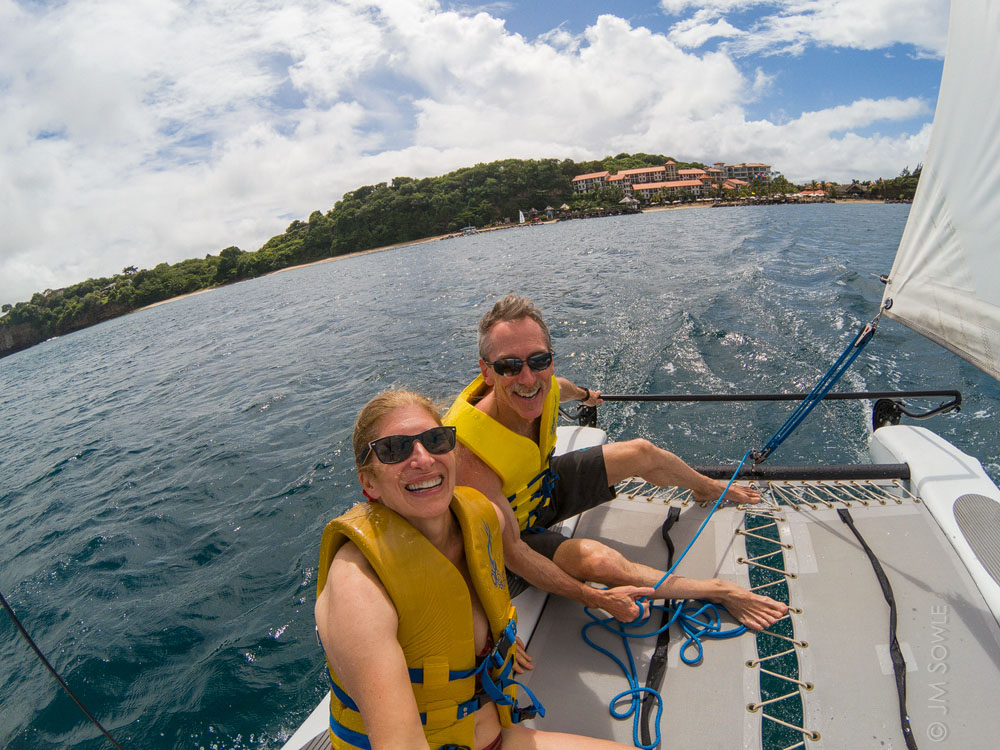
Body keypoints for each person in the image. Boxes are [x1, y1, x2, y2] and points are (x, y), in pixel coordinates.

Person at [315, 390, 637, 750]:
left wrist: (498, 640)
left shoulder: (483, 520)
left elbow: (514, 563)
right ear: (368, 482)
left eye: (436, 440)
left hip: (497, 736)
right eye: (395, 449)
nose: (423, 459)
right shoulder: (358, 587)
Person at [442, 294, 788, 630]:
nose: (528, 379)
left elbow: (562, 388)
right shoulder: (469, 454)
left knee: (641, 451)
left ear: (550, 359)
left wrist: (587, 396)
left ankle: (707, 487)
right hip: (516, 535)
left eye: (539, 360)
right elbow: (514, 553)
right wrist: (595, 597)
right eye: (509, 366)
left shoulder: (544, 386)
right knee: (599, 561)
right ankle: (718, 591)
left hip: (543, 487)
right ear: (487, 372)